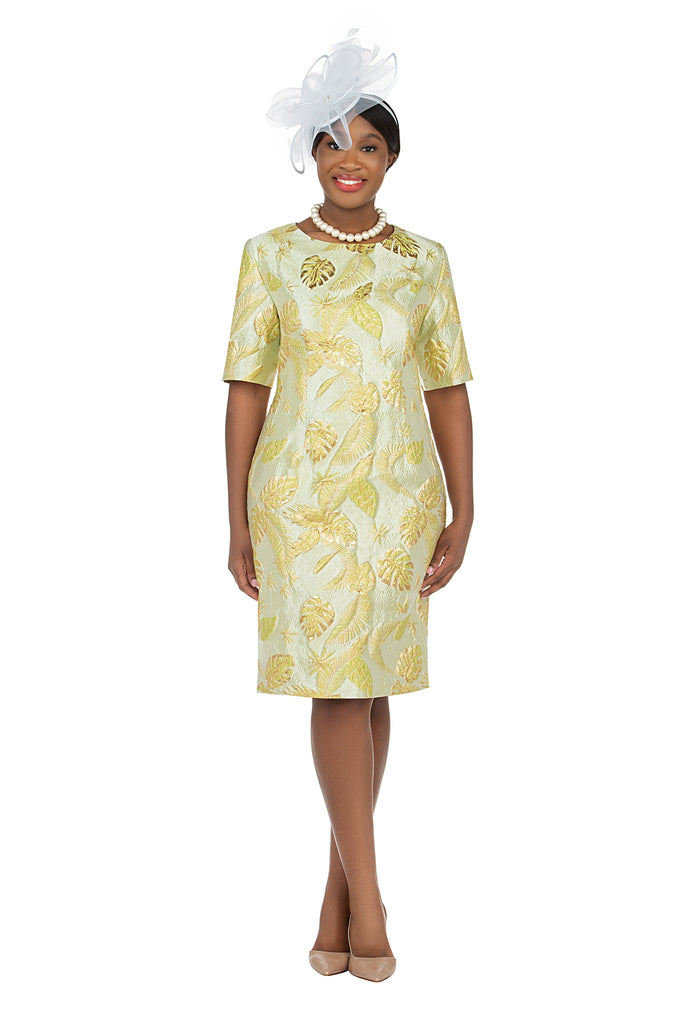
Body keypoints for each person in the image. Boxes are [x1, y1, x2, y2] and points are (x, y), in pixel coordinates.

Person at [222, 31, 474, 983]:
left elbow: (446, 387)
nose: (349, 161)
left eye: (368, 145)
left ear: (392, 158)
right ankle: (370, 903)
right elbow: (246, 388)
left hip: (401, 497)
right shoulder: (268, 257)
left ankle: (336, 899)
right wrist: (237, 518)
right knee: (335, 684)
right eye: (332, 144)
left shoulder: (423, 262)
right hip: (300, 500)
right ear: (311, 154)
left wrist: (464, 507)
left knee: (369, 684)